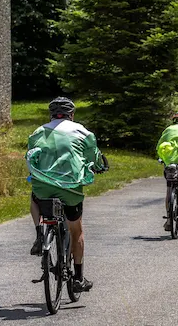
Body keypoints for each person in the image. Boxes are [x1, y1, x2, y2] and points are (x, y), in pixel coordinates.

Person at [27, 96, 107, 293]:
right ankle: (78, 278)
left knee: (34, 197)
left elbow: (31, 156)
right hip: (70, 189)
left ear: (51, 114)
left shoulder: (37, 132)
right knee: (76, 230)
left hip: (43, 188)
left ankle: (39, 234)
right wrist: (98, 167)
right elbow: (93, 157)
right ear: (72, 114)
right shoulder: (82, 131)